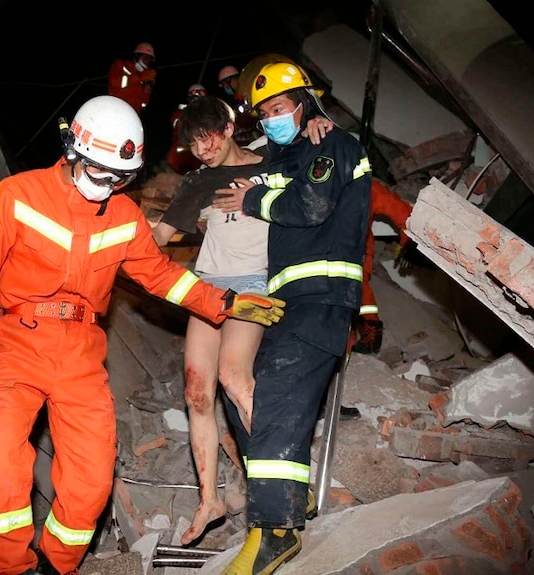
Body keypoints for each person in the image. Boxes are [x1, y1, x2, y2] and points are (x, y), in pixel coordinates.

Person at [0, 94, 286, 575]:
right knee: (2, 466)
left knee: (92, 478)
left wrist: (223, 303)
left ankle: (55, 567)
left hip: (82, 351)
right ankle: (3, 569)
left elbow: (161, 274)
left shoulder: (122, 215)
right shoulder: (18, 196)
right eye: (100, 174)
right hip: (18, 341)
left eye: (120, 178)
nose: (108, 187)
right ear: (71, 151)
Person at [212, 62, 371, 574]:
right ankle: (291, 495)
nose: (272, 118)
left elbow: (313, 203)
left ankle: (276, 532)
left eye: (280, 108)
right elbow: (264, 170)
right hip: (288, 300)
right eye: (264, 113)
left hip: (322, 297)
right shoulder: (293, 152)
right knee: (243, 392)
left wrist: (255, 199)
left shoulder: (334, 144)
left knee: (278, 393)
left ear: (307, 103)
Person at [155, 96, 334, 546]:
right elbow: (157, 237)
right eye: (193, 143)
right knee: (197, 393)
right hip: (208, 287)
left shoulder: (273, 161)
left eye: (208, 135)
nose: (202, 147)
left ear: (229, 127)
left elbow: (316, 169)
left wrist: (318, 127)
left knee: (235, 378)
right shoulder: (196, 181)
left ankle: (288, 482)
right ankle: (209, 500)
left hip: (254, 284)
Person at [353, 178, 414, 354]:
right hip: (325, 258)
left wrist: (408, 243)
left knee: (358, 293)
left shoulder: (365, 186)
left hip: (355, 256)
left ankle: (369, 334)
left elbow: (403, 213)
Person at [165, 83, 207, 175]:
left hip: (199, 163)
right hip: (179, 162)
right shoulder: (181, 114)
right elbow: (178, 124)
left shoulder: (207, 116)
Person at [107, 42, 157, 115]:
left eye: (149, 60)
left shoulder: (144, 78)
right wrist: (140, 77)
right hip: (116, 111)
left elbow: (143, 105)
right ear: (136, 56)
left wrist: (147, 90)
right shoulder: (120, 64)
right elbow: (114, 82)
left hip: (133, 116)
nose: (147, 62)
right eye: (145, 58)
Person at [217, 65, 261, 147]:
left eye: (225, 84)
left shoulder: (250, 93)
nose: (225, 87)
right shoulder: (232, 102)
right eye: (223, 85)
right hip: (247, 142)